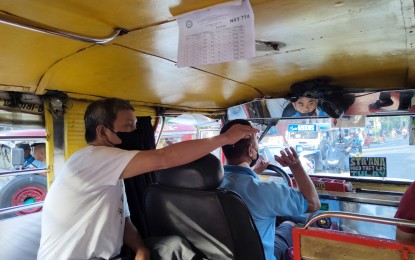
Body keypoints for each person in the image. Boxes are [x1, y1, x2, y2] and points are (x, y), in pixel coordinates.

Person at [37, 98, 258, 260]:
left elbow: (121, 220)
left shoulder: (109, 171)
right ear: (103, 132)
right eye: (129, 126)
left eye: (136, 124)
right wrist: (226, 138)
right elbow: (164, 157)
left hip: (111, 255)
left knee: (173, 247)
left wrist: (140, 248)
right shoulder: (92, 159)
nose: (136, 131)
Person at [219, 119, 320, 260]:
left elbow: (238, 180)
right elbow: (313, 203)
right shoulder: (266, 191)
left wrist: (253, 171)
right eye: (256, 143)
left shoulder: (211, 183)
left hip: (225, 254)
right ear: (251, 151)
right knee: (289, 224)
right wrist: (295, 165)